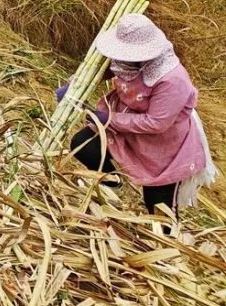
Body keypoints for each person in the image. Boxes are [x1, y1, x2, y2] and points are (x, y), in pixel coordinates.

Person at [64, 13, 217, 218]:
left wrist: (107, 118)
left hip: (161, 142)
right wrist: (75, 83)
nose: (121, 59)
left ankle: (166, 241)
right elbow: (105, 69)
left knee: (157, 204)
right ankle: (111, 182)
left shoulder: (173, 79)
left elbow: (155, 123)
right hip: (125, 123)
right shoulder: (127, 61)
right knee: (84, 145)